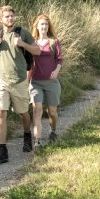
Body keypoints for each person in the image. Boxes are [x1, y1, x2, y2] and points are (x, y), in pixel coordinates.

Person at [0, 5, 41, 164]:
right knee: (0, 112)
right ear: (0, 19)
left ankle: (27, 135)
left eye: (12, 16)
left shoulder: (22, 33)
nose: (10, 19)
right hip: (1, 80)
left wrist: (23, 44)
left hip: (20, 80)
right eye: (6, 16)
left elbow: (37, 51)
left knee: (23, 113)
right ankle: (2, 150)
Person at [29, 14, 63, 151]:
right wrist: (27, 82)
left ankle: (53, 131)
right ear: (37, 26)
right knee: (37, 110)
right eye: (42, 24)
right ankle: (37, 141)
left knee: (52, 112)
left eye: (46, 24)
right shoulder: (32, 43)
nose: (44, 27)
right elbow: (28, 63)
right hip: (35, 81)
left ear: (48, 27)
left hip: (51, 82)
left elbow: (60, 59)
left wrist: (56, 71)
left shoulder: (54, 42)